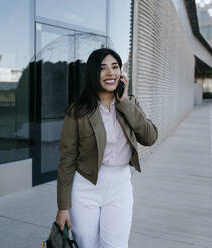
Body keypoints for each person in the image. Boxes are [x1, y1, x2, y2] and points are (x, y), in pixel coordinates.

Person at [55, 48, 158, 248]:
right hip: (85, 186)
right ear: (93, 74)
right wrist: (63, 208)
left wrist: (125, 103)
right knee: (86, 244)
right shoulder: (78, 111)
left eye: (115, 67)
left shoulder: (130, 103)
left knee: (116, 245)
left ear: (121, 73)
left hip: (120, 185)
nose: (110, 73)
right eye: (103, 68)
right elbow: (66, 160)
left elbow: (150, 137)